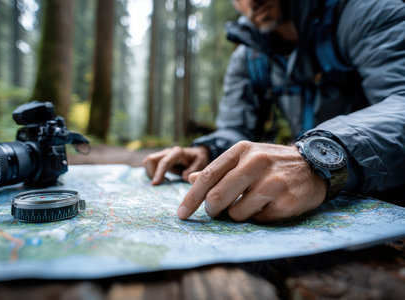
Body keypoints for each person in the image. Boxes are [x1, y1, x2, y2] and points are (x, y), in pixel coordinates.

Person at [143, 0, 405, 222]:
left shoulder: (366, 12)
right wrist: (208, 151)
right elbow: (237, 128)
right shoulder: (248, 56)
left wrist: (318, 158)